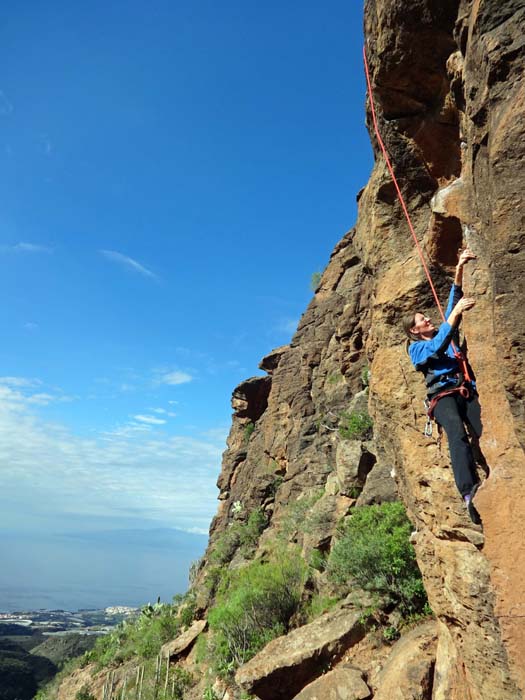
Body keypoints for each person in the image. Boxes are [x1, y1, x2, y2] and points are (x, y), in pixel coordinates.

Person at [403, 248, 482, 523]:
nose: (428, 319)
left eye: (426, 316)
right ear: (415, 330)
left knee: (483, 429)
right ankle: (469, 493)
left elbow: (454, 301)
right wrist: (454, 315)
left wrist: (459, 266)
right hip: (443, 398)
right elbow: (438, 345)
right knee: (458, 436)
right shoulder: (416, 349)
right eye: (422, 320)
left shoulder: (442, 331)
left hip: (464, 389)